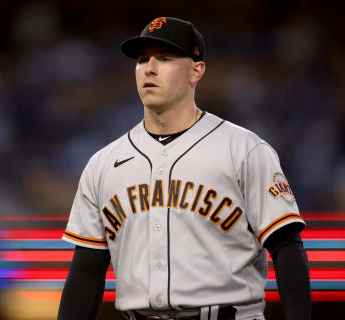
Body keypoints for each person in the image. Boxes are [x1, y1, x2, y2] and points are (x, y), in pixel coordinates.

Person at [57, 17, 311, 320]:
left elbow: (287, 248)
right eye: (142, 59)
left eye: (165, 58)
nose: (149, 68)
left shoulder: (243, 149)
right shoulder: (103, 163)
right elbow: (87, 272)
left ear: (196, 70)